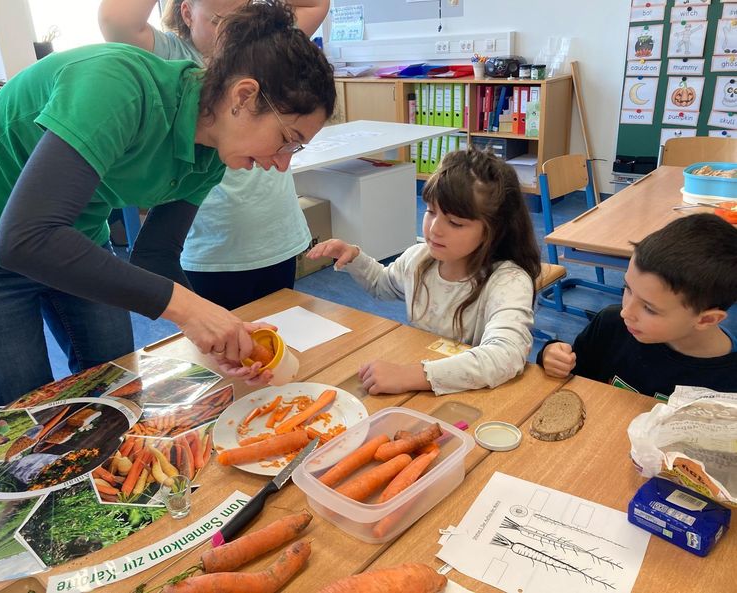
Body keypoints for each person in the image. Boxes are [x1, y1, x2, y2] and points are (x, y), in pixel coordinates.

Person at [0, 0, 336, 407]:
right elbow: (23, 239)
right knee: (25, 410)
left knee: (117, 390)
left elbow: (156, 254)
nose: (281, 164)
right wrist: (190, 310)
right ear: (244, 95)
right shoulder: (118, 86)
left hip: (74, 236)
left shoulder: (211, 156)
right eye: (287, 140)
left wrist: (218, 335)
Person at [98, 0, 330, 310]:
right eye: (221, 20)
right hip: (212, 245)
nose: (234, 29)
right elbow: (116, 18)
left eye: (245, 12)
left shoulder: (263, 54)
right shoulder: (171, 58)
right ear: (187, 13)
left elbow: (316, 4)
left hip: (272, 235)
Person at [307, 147, 541, 396]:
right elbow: (383, 284)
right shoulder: (420, 258)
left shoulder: (508, 281)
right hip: (421, 381)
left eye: (455, 223)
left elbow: (505, 356)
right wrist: (355, 257)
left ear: (494, 229)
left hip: (474, 393)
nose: (434, 229)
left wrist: (410, 375)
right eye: (430, 211)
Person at [538, 214, 737, 398]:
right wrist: (551, 356)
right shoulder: (611, 326)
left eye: (649, 308)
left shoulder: (728, 381)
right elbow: (571, 374)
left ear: (706, 319)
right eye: (628, 288)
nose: (626, 312)